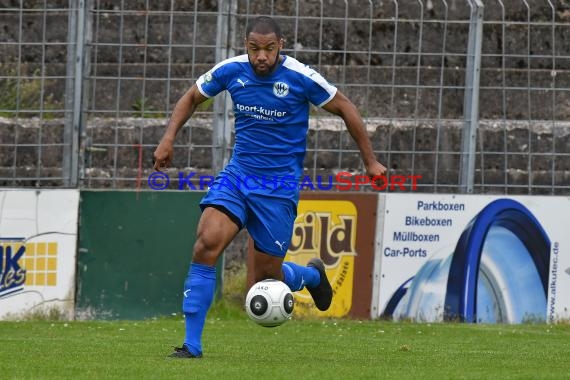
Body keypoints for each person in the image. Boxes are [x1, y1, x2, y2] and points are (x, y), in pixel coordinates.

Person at [153, 16, 387, 359]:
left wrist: (370, 161)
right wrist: (168, 137)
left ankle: (310, 276)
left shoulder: (300, 77)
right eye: (254, 49)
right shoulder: (231, 70)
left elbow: (346, 108)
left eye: (268, 49)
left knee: (267, 279)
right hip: (238, 176)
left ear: (281, 46)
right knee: (206, 244)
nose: (261, 56)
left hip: (278, 188)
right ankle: (192, 345)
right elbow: (191, 97)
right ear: (246, 46)